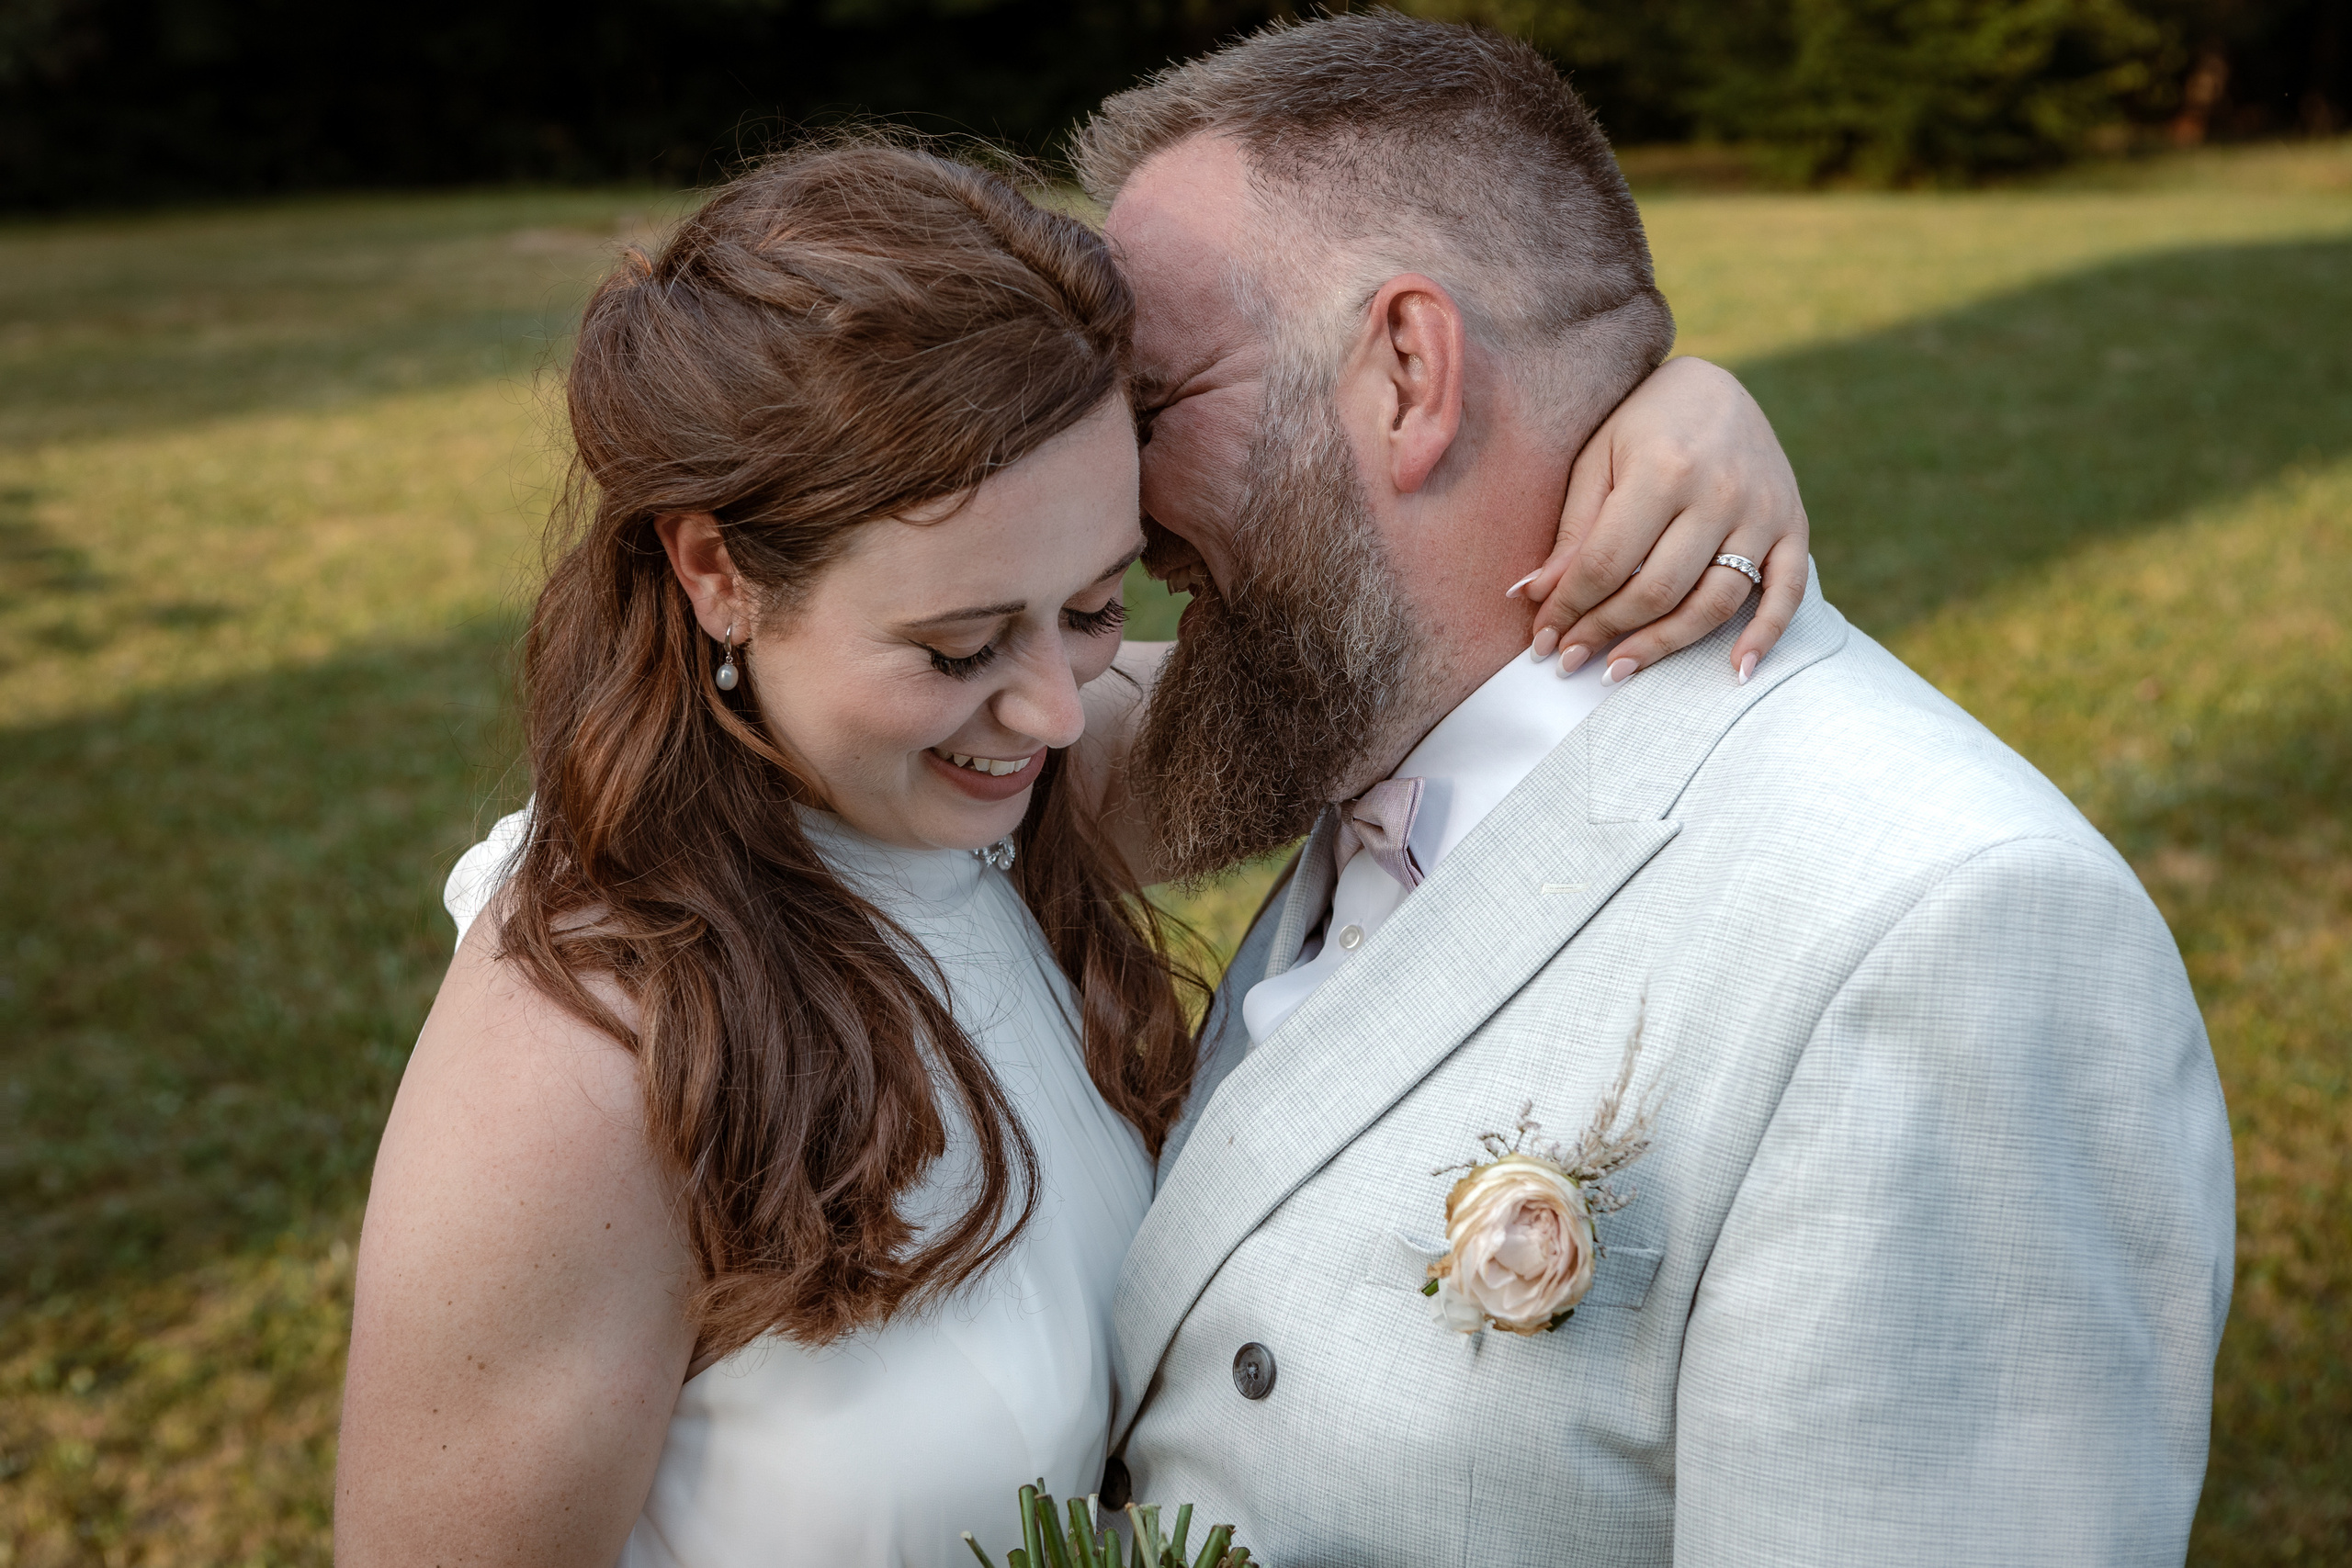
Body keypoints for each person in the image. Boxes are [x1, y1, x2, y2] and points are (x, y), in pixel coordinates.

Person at [332, 134, 1812, 1566]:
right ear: (716, 571)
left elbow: (1416, 655)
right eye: (958, 644)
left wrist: (1674, 412)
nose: (1053, 709)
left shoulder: (988, 786)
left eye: (1098, 607)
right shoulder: (581, 1049)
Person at [1080, 13, 2236, 1567]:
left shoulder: (1947, 932)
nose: (1114, 507)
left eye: (1152, 408)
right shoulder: (1343, 706)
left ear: (1412, 372)